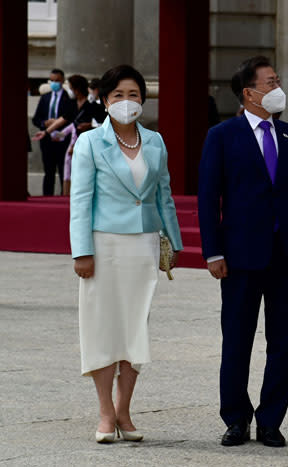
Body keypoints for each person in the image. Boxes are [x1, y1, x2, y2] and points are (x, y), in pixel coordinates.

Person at [198, 56, 288, 448]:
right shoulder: (222, 136)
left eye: (277, 80)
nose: (277, 88)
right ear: (249, 93)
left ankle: (271, 419)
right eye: (270, 83)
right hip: (239, 256)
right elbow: (207, 198)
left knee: (284, 341)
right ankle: (236, 418)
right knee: (236, 339)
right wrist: (212, 251)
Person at [69, 64, 183, 444]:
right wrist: (82, 251)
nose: (126, 102)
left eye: (133, 94)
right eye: (118, 95)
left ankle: (124, 410)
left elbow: (163, 195)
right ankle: (104, 412)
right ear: (104, 100)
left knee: (135, 327)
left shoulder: (155, 142)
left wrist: (174, 242)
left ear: (142, 100)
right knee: (103, 327)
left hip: (144, 244)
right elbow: (80, 201)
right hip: (103, 245)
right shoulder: (89, 143)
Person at [34, 74, 106, 195]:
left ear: (77, 89)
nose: (70, 91)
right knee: (69, 170)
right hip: (74, 142)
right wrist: (46, 132)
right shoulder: (72, 104)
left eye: (71, 88)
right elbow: (62, 120)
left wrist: (89, 125)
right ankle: (69, 195)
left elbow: (103, 124)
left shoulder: (92, 105)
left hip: (90, 144)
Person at [31, 68, 78, 195]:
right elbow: (36, 119)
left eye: (57, 81)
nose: (54, 83)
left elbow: (71, 118)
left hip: (63, 139)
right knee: (49, 172)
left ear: (62, 81)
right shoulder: (45, 98)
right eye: (52, 80)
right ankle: (47, 197)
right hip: (46, 140)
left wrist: (58, 124)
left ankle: (65, 196)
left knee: (64, 170)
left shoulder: (69, 99)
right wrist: (44, 123)